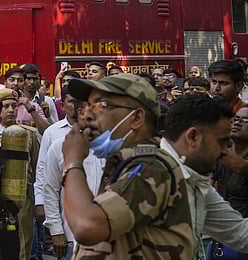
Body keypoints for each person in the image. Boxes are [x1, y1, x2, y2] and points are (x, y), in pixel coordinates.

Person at [63, 73, 193, 259]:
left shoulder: (150, 168)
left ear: (136, 118)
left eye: (102, 105)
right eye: (88, 106)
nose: (88, 114)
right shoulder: (123, 163)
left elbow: (87, 226)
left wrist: (72, 161)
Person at [162, 95, 248, 256]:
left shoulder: (195, 182)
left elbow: (240, 233)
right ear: (193, 137)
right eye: (221, 142)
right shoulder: (149, 175)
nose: (225, 152)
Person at [43, 99, 105, 260]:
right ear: (80, 113)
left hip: (108, 234)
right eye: (90, 111)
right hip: (72, 233)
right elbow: (50, 190)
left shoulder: (113, 147)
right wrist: (56, 231)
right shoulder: (59, 146)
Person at [0, 88, 39, 260]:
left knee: (22, 243)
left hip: (21, 197)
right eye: (6, 106)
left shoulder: (29, 134)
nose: (11, 110)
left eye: (14, 106)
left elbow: (36, 169)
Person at [33, 87, 75, 241]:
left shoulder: (99, 134)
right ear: (62, 105)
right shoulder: (53, 133)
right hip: (62, 205)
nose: (77, 106)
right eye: (72, 102)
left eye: (81, 102)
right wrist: (40, 201)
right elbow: (42, 169)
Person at [208, 106, 248, 258]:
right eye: (236, 119)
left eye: (245, 120)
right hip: (221, 237)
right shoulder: (222, 154)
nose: (238, 123)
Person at [5, 67, 49, 135]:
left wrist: (31, 110)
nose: (16, 83)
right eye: (12, 80)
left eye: (20, 80)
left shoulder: (34, 107)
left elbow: (46, 132)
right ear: (5, 82)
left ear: (24, 83)